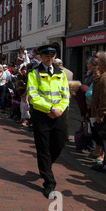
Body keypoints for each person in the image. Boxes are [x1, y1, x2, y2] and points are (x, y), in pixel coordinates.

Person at [27, 44, 70, 199]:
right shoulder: (34, 73)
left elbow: (66, 95)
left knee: (59, 145)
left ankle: (45, 167)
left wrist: (59, 109)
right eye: (46, 56)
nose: (49, 58)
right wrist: (50, 108)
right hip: (42, 115)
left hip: (59, 114)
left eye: (52, 56)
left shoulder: (61, 73)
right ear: (41, 56)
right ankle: (49, 183)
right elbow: (33, 95)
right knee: (43, 149)